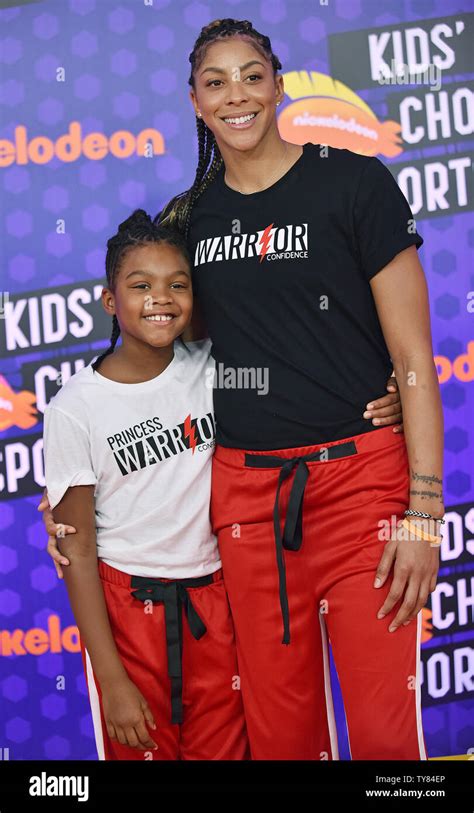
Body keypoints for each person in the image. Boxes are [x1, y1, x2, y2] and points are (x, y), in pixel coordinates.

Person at [40, 18, 443, 761]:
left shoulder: (353, 182)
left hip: (361, 489)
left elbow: (414, 355)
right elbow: (160, 364)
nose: (236, 96)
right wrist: (76, 481)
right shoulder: (187, 224)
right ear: (195, 101)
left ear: (278, 84)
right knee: (283, 740)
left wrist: (423, 510)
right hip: (249, 509)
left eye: (252, 75)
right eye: (215, 82)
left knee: (387, 733)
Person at [41, 208, 248, 761]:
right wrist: (111, 680)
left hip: (216, 601)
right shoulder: (75, 408)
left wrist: (390, 384)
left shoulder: (214, 369)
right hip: (128, 611)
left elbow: (297, 375)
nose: (161, 298)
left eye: (177, 284)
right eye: (141, 286)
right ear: (111, 301)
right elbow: (76, 547)